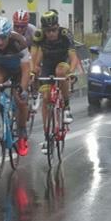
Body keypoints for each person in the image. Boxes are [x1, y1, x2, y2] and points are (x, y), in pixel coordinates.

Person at [30, 9, 82, 153]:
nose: (51, 34)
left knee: (61, 71)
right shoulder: (39, 36)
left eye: (53, 30)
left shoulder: (65, 34)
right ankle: (47, 136)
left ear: (58, 27)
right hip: (47, 65)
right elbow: (33, 58)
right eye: (48, 31)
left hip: (62, 63)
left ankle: (66, 107)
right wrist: (32, 71)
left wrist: (71, 72)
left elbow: (73, 57)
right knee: (46, 98)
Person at [0, 15, 33, 156]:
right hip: (3, 68)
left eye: (3, 38)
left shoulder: (19, 41)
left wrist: (22, 89)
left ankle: (22, 132)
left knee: (20, 100)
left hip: (19, 70)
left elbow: (26, 70)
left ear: (8, 35)